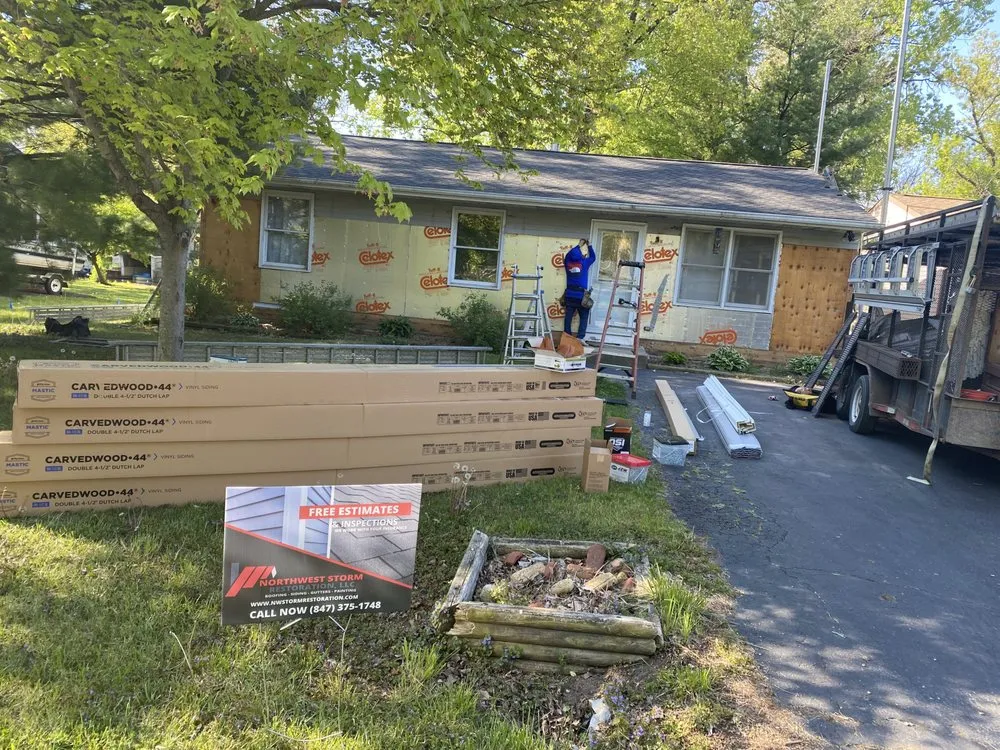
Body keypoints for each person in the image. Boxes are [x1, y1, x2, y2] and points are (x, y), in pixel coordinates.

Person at [563, 239, 596, 339]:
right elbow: (593, 257)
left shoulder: (567, 262)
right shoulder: (584, 262)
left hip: (569, 294)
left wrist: (579, 245)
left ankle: (567, 336)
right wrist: (589, 246)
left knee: (568, 317)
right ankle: (580, 337)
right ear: (581, 256)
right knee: (584, 315)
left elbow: (569, 255)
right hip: (580, 295)